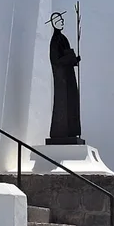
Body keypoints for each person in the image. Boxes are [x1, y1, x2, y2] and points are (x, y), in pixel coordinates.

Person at [46, 11, 83, 144]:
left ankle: (72, 130)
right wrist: (70, 58)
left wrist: (74, 60)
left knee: (71, 103)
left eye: (61, 19)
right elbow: (56, 60)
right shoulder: (55, 41)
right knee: (63, 104)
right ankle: (61, 131)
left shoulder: (63, 38)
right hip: (62, 79)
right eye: (58, 20)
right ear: (53, 24)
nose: (61, 22)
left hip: (68, 77)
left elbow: (66, 56)